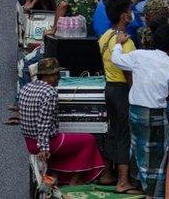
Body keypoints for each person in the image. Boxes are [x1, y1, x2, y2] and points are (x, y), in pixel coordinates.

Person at [111, 23, 169, 199]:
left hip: (135, 112)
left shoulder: (138, 55)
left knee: (139, 150)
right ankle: (153, 194)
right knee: (157, 157)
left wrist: (119, 43)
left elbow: (116, 60)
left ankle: (139, 185)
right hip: (155, 115)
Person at [18, 57, 106, 185]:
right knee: (89, 140)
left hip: (30, 142)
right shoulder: (49, 92)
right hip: (46, 142)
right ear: (47, 76)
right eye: (56, 75)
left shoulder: (26, 88)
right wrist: (44, 147)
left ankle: (57, 173)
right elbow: (44, 123)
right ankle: (76, 179)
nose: (59, 78)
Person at [97, 0, 143, 195]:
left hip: (109, 87)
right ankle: (123, 181)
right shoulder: (126, 42)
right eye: (130, 10)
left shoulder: (105, 36)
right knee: (125, 133)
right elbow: (128, 72)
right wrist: (136, 93)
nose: (133, 13)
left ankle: (107, 172)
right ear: (124, 16)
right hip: (123, 89)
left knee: (112, 130)